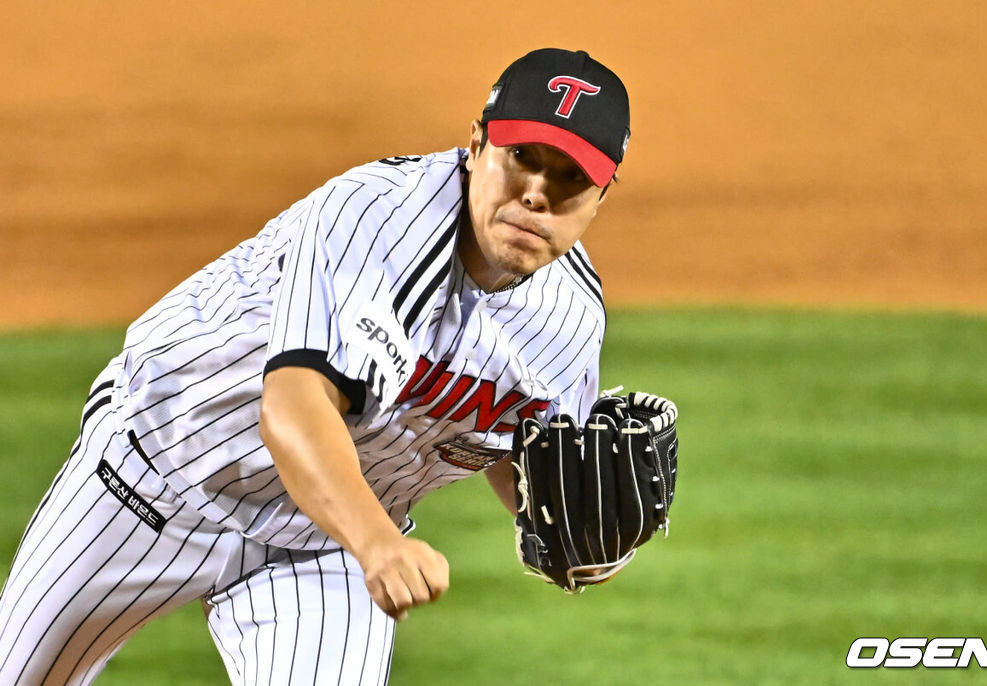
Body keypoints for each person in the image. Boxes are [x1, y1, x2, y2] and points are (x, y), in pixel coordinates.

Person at [0, 47, 631, 685]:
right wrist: (377, 543)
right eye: (523, 158)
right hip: (157, 472)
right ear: (476, 146)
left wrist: (577, 532)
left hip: (322, 544)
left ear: (602, 194)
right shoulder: (374, 216)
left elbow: (511, 451)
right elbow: (295, 402)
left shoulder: (570, 320)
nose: (537, 195)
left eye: (570, 178)